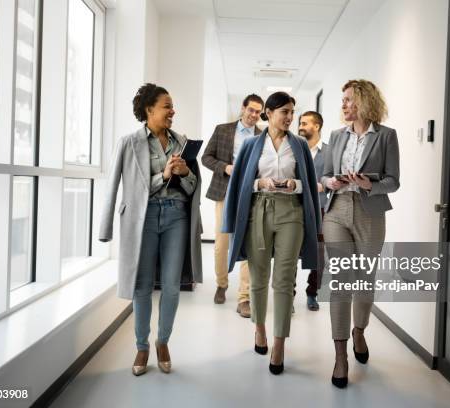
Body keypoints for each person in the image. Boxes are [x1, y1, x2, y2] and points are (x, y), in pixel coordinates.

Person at [99, 83, 203, 376]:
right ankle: (142, 346)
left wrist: (184, 174)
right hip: (142, 219)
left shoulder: (182, 142)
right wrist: (164, 175)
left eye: (172, 106)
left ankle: (163, 342)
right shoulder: (129, 142)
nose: (173, 111)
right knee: (142, 286)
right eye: (167, 106)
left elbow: (193, 187)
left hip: (176, 217)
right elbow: (114, 187)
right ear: (149, 110)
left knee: (171, 286)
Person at [222, 92, 321, 375]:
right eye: (284, 112)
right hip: (259, 212)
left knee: (285, 278)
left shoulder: (299, 145)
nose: (290, 117)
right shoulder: (252, 144)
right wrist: (260, 182)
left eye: (292, 112)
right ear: (269, 112)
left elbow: (309, 185)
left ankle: (279, 343)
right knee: (259, 276)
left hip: (292, 213)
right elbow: (241, 182)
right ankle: (260, 329)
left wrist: (294, 184)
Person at [320, 79, 399, 388]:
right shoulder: (336, 136)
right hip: (337, 210)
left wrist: (369, 184)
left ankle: (359, 331)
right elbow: (325, 175)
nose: (343, 105)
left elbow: (394, 181)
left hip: (370, 213)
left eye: (349, 99)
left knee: (364, 280)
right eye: (342, 100)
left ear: (364, 101)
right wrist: (332, 183)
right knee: (340, 280)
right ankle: (340, 356)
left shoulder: (386, 137)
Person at [202, 94, 263, 318]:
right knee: (221, 244)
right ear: (243, 108)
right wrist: (225, 167)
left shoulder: (262, 135)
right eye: (251, 110)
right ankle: (221, 283)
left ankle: (244, 297)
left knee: (248, 243)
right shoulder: (223, 130)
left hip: (251, 193)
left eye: (258, 112)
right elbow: (206, 157)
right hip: (225, 191)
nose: (254, 115)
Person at [296, 111, 328, 311]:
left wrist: (324, 186)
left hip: (321, 208)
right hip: (295, 206)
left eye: (305, 123)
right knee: (289, 252)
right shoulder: (294, 149)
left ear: (316, 126)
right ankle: (287, 295)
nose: (300, 125)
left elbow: (334, 178)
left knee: (319, 255)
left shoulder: (330, 151)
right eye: (300, 122)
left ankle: (312, 293)